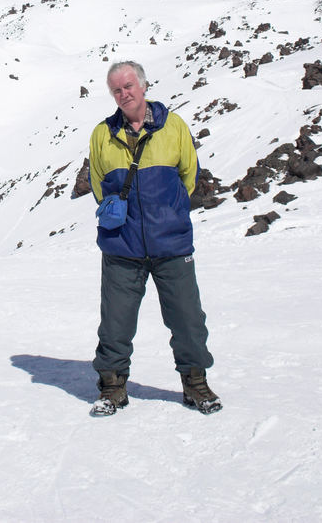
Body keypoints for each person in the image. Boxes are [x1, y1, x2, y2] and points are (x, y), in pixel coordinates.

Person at [88, 60, 221, 416]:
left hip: (171, 243)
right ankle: (113, 386)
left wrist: (170, 213)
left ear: (144, 86)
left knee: (187, 318)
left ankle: (195, 382)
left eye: (128, 86)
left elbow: (189, 175)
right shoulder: (102, 134)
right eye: (116, 89)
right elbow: (99, 185)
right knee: (115, 322)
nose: (123, 94)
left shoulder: (173, 126)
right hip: (122, 245)